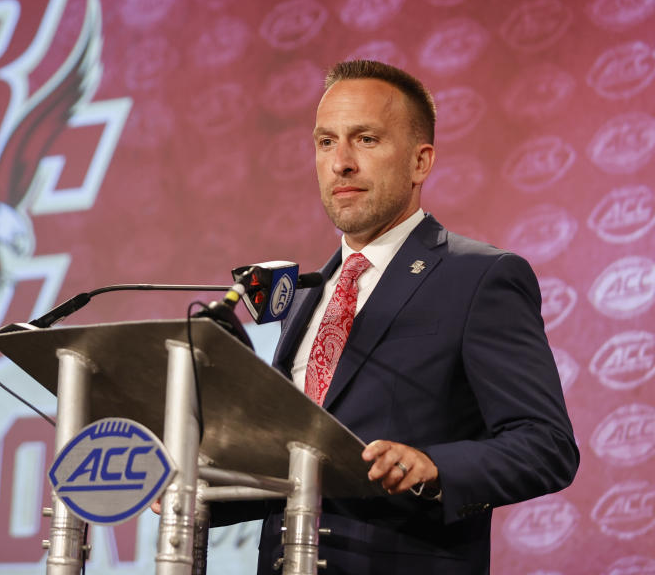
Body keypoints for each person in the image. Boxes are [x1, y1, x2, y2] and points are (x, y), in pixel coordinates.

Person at [215, 60, 579, 574]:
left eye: (365, 139)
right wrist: (194, 483)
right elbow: (297, 467)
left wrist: (434, 467)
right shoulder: (300, 297)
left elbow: (546, 445)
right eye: (325, 142)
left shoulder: (480, 278)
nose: (341, 162)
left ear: (420, 162)